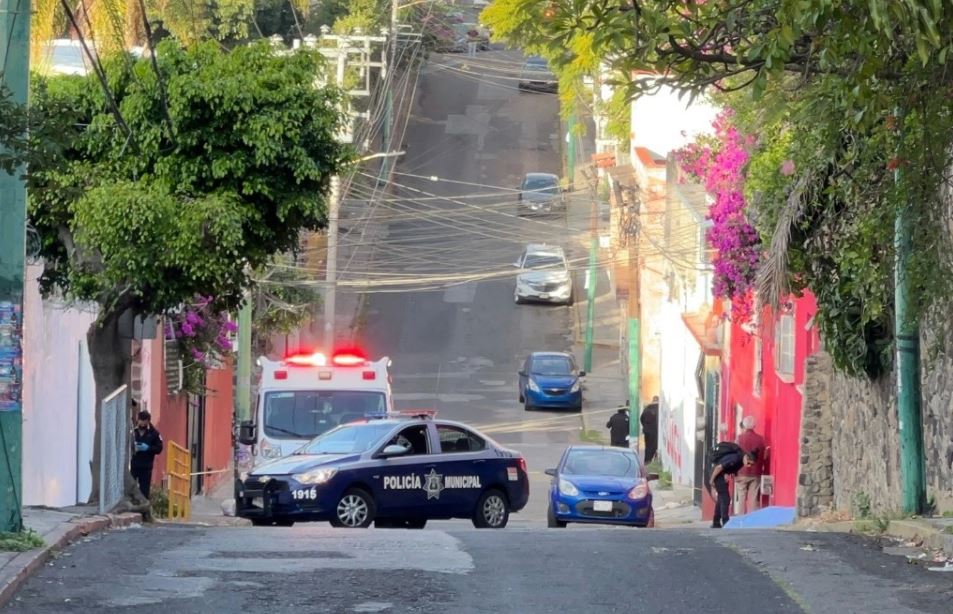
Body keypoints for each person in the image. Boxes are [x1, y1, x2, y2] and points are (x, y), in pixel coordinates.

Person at [708, 442, 755, 529]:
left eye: (751, 465)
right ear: (746, 457)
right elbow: (719, 467)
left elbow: (729, 469)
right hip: (717, 474)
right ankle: (726, 522)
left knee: (721, 498)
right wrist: (712, 480)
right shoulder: (736, 457)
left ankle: (716, 522)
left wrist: (728, 475)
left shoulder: (741, 461)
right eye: (749, 463)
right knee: (726, 498)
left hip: (721, 475)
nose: (749, 466)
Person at [736, 415, 766, 514]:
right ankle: (751, 520)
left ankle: (740, 519)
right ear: (754, 426)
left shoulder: (739, 438)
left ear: (744, 426)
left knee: (741, 497)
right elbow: (763, 454)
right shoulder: (760, 439)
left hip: (741, 472)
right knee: (753, 498)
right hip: (755, 472)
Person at [131, 409, 163, 499]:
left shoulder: (154, 433)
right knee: (131, 489)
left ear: (148, 421)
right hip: (134, 464)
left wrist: (148, 448)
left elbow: (159, 448)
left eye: (143, 422)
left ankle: (144, 511)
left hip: (146, 466)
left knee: (144, 491)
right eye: (140, 421)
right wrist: (134, 447)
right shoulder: (133, 432)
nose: (141, 424)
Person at [640, 395, 659, 464]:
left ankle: (647, 462)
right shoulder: (659, 409)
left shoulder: (647, 408)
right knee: (656, 447)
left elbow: (641, 418)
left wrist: (645, 426)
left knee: (648, 447)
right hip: (656, 432)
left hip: (647, 432)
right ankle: (656, 462)